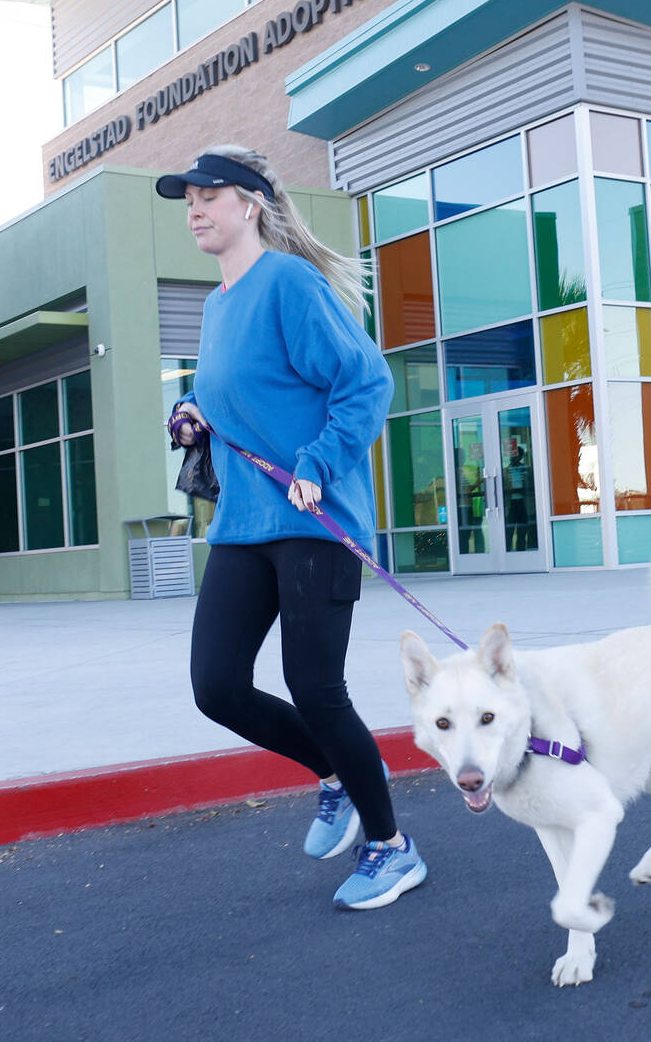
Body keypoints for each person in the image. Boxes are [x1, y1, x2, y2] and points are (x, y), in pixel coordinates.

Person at [157, 146, 426, 910]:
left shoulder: (286, 281)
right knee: (216, 686)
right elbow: (245, 392)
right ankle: (332, 775)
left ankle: (392, 847)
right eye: (188, 201)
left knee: (314, 687)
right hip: (244, 524)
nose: (195, 210)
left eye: (209, 195)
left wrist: (319, 459)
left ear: (250, 203)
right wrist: (195, 414)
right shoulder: (217, 304)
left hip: (312, 519)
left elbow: (363, 382)